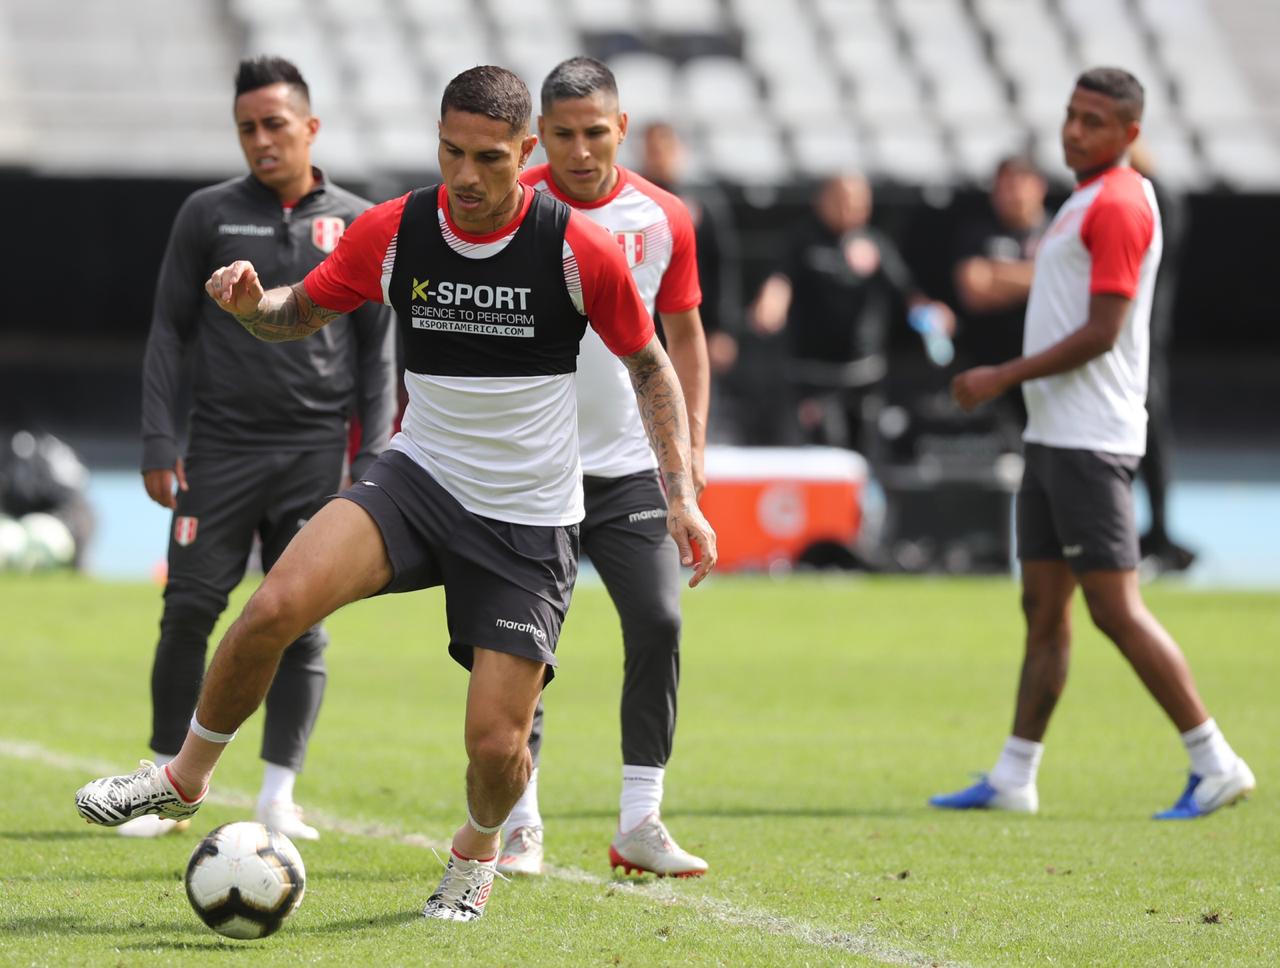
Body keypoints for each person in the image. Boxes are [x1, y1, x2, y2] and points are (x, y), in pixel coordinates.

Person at [75, 65, 717, 923]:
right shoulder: (397, 229)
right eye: (450, 152)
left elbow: (651, 369)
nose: (465, 176)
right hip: (418, 479)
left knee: (495, 747)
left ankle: (478, 850)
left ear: (523, 152)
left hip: (528, 516)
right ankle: (181, 777)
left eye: (488, 158)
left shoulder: (577, 247)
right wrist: (248, 304)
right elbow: (297, 312)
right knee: (273, 607)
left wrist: (681, 495)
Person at [934, 67, 1254, 819]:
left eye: (1096, 121)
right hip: (1055, 436)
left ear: (1131, 134)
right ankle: (1015, 774)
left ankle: (1215, 760)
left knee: (1115, 608)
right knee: (1043, 608)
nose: (1075, 131)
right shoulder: (1088, 196)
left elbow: (1104, 331)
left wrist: (1000, 374)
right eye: (1072, 115)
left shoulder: (1117, 202)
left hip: (1089, 439)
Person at [122, 56, 397, 841]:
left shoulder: (357, 218)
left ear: (311, 127)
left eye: (275, 124)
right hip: (219, 448)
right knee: (188, 612)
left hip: (316, 450)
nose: (261, 140)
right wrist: (155, 438)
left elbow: (377, 349)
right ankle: (164, 785)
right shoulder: (206, 214)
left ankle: (278, 796)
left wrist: (372, 457)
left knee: (302, 621)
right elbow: (169, 331)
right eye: (247, 127)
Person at [498, 57, 709, 879]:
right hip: (528, 468)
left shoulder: (665, 218)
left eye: (596, 132)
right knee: (522, 650)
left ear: (621, 128)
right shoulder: (516, 208)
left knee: (659, 621)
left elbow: (684, 336)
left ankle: (641, 820)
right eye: (562, 135)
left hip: (629, 468)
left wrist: (689, 450)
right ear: (535, 139)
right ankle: (519, 821)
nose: (581, 151)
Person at [749, 173, 954, 462]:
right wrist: (770, 304)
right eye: (842, 200)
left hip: (862, 375)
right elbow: (780, 281)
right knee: (823, 455)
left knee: (862, 457)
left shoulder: (874, 243)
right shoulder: (802, 239)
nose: (850, 208)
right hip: (813, 375)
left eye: (858, 202)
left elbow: (905, 292)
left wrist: (932, 316)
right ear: (823, 201)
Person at [1128, 139, 1197, 575]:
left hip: (1141, 340)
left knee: (1147, 437)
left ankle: (1158, 535)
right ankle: (1147, 534)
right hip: (1127, 339)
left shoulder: (1153, 198)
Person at [950, 155, 1050, 436]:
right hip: (988, 365)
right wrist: (1036, 277)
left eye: (1019, 185)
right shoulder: (977, 232)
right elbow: (973, 289)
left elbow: (1069, 285)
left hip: (1044, 365)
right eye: (1003, 187)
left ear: (1038, 186)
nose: (1011, 195)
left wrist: (997, 276)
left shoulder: (1058, 232)